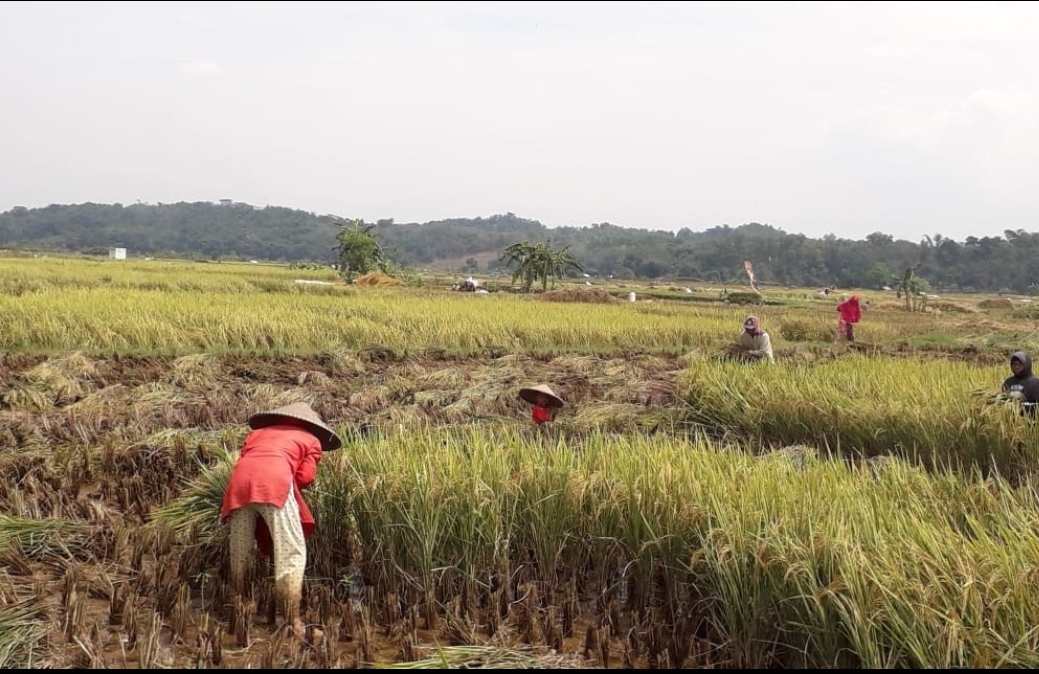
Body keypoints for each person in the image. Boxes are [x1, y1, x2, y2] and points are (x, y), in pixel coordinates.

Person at [220, 401, 342, 638]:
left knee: (240, 550)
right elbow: (305, 478)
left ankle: (241, 607)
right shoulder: (311, 439)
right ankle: (291, 621)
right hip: (273, 484)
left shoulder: (257, 434)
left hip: (238, 485)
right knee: (292, 552)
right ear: (312, 425)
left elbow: (245, 460)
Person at [1002, 351, 1039, 418]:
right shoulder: (1008, 382)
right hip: (1011, 423)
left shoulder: (1035, 383)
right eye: (1014, 364)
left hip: (1030, 424)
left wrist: (1023, 406)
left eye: (1020, 364)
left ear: (1027, 365)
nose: (1016, 367)